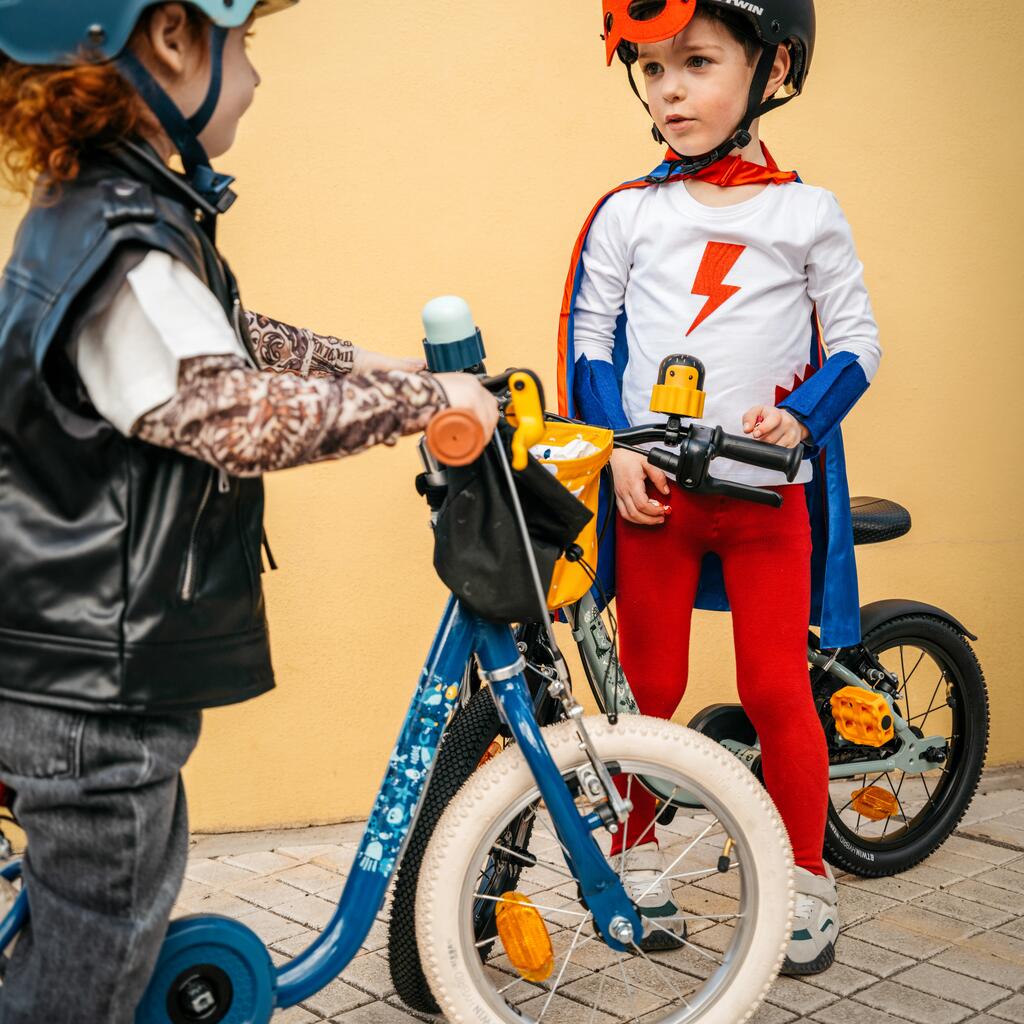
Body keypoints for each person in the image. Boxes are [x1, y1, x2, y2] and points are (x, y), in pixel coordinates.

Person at [0, 2, 497, 1020]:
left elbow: (221, 335)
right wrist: (425, 404)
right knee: (90, 960)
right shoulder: (126, 245)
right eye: (248, 46)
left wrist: (363, 366)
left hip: (71, 665)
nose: (258, 79)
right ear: (176, 37)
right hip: (93, 695)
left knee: (94, 921)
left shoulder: (110, 213)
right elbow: (233, 415)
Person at [557, 0, 882, 973]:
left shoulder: (806, 210)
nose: (670, 88)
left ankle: (805, 877)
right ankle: (637, 854)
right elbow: (590, 339)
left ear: (770, 68)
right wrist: (613, 449)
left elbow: (859, 344)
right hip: (653, 496)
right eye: (651, 68)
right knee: (645, 689)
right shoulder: (627, 212)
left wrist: (803, 416)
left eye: (696, 61)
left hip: (763, 497)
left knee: (775, 687)